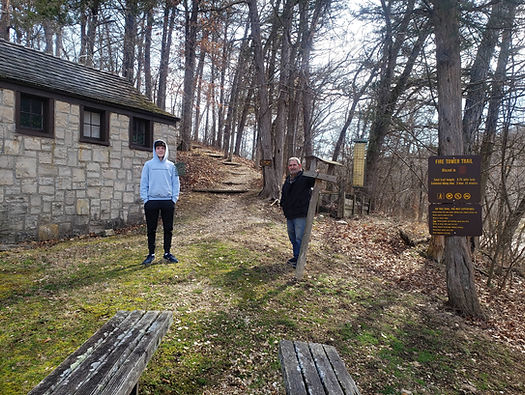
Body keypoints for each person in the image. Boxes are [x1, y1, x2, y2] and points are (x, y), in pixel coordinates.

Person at [140, 139, 180, 266]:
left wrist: (174, 199)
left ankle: (167, 252)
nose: (160, 150)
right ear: (154, 150)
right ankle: (151, 254)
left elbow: (176, 183)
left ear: (165, 149)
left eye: (162, 148)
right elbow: (143, 183)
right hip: (152, 201)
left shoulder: (172, 166)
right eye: (158, 148)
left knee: (168, 229)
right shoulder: (148, 165)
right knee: (151, 229)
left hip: (167, 201)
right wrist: (146, 199)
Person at [280, 157, 315, 267]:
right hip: (290, 214)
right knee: (292, 237)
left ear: (299, 166)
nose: (292, 167)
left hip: (300, 214)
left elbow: (314, 181)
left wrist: (315, 173)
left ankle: (300, 260)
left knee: (300, 238)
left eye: (294, 165)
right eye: (290, 165)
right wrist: (283, 205)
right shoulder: (288, 179)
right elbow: (284, 194)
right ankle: (296, 257)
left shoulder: (305, 177)